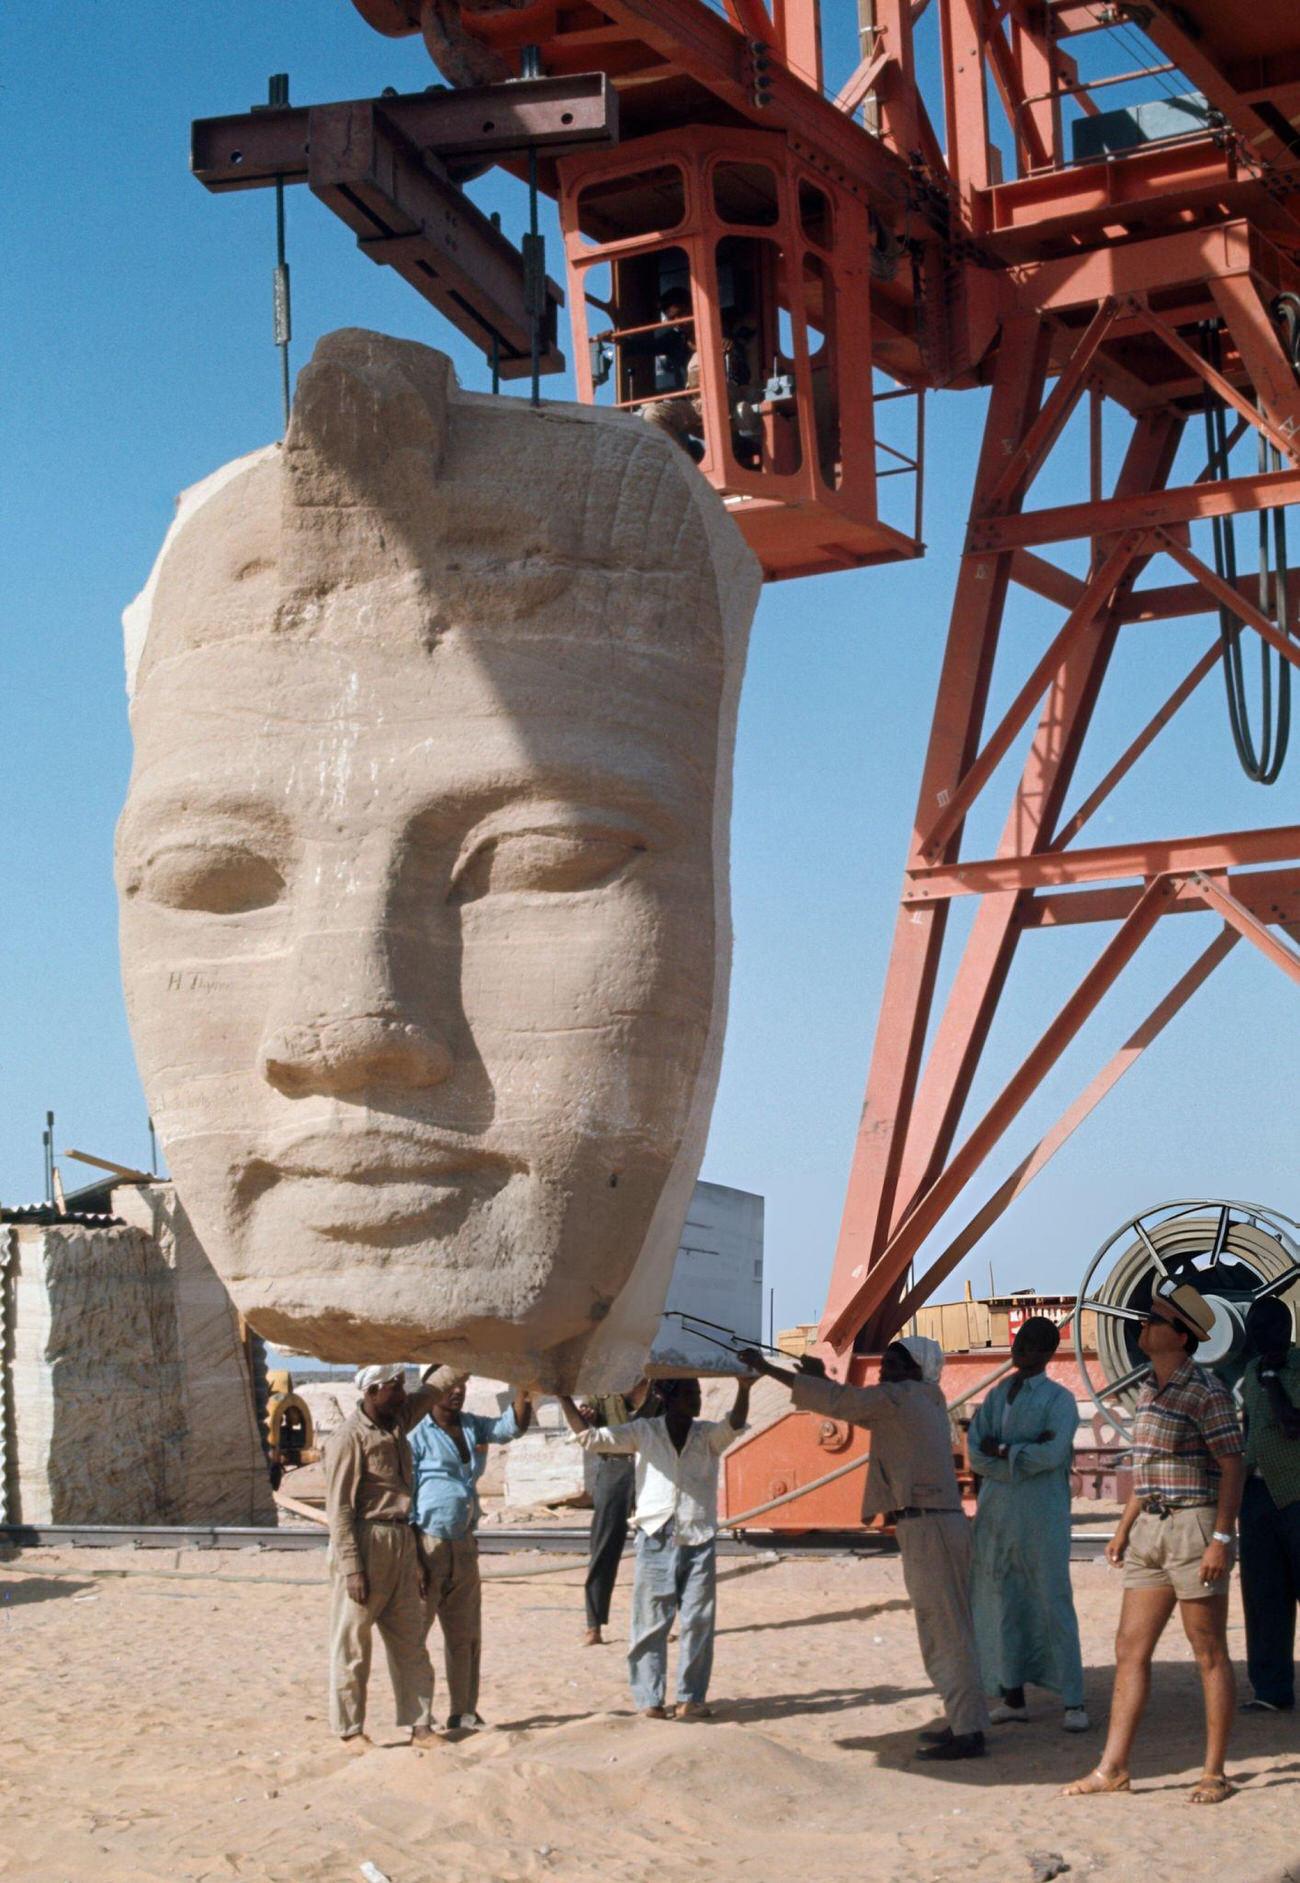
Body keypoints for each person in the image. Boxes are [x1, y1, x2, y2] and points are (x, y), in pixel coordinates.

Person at [740, 1336, 989, 1760]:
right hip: (931, 1524)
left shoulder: (901, 1398)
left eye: (892, 1363)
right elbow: (846, 1399)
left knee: (944, 1631)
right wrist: (817, 1380)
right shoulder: (923, 1396)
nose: (882, 1370)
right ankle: (964, 1719)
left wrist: (766, 1369)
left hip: (928, 1525)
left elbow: (842, 1402)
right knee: (946, 1628)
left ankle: (968, 1730)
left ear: (914, 1369)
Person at [1063, 1282, 1244, 1805]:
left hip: (1194, 1529)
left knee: (1207, 1650)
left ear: (1180, 1335)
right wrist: (1122, 1530)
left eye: (1154, 1321)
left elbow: (1232, 1464)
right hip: (1150, 1531)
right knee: (1129, 1649)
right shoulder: (1148, 1390)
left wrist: (1220, 1539)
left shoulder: (1204, 1391)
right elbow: (1148, 1473)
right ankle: (1113, 1768)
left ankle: (1214, 1772)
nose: (1142, 1327)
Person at [557, 1373, 749, 1718]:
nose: (697, 1399)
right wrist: (562, 1397)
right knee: (650, 1623)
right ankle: (650, 1701)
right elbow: (589, 1437)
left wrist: (744, 1388)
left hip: (698, 1537)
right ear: (668, 1398)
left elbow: (733, 1425)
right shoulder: (644, 1432)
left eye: (698, 1392)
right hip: (655, 1537)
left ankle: (691, 1697)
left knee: (698, 1622)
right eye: (689, 1393)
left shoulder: (706, 1435)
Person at [968, 1315, 1089, 1732]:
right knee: (1003, 1600)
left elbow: (1052, 1455)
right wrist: (1016, 1454)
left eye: (1030, 1345)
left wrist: (1002, 1451)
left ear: (1047, 1353)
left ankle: (1073, 1701)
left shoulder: (1060, 1401)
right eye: (1018, 1342)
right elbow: (974, 1453)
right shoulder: (998, 1394)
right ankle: (1012, 1694)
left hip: (1042, 1516)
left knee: (1052, 1601)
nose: (1020, 1351)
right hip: (997, 1513)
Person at [323, 1363, 440, 1750]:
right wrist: (352, 1567)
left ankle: (420, 1725)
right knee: (354, 1644)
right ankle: (350, 1731)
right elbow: (339, 1509)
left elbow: (437, 1388)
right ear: (373, 1391)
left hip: (401, 1540)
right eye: (396, 1387)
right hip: (365, 1541)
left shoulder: (397, 1422)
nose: (404, 1394)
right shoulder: (349, 1438)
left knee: (410, 1640)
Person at [410, 1366, 532, 1732]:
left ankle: (463, 1711)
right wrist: (414, 1558)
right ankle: (418, 1719)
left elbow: (510, 1427)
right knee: (416, 1637)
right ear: (432, 1389)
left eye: (462, 1385)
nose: (457, 1392)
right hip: (427, 1543)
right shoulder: (416, 1433)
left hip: (463, 1543)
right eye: (450, 1386)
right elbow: (405, 1493)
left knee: (465, 1636)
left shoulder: (470, 1426)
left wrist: (527, 1386)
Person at [1237, 1296, 1300, 1713]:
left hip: (1296, 1494)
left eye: (1267, 1330)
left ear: (1286, 1329)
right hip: (1257, 1496)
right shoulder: (1250, 1369)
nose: (1260, 1338)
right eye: (1254, 1331)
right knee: (1263, 1596)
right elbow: (1250, 1430)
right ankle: (1271, 1690)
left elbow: (1293, 1425)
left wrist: (1273, 1378)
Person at [578, 1378, 662, 1646]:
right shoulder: (602, 1383)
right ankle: (594, 1624)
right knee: (604, 1546)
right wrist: (587, 1415)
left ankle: (659, 1622)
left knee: (658, 1547)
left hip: (653, 1467)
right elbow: (585, 1417)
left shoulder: (662, 1383)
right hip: (614, 1467)